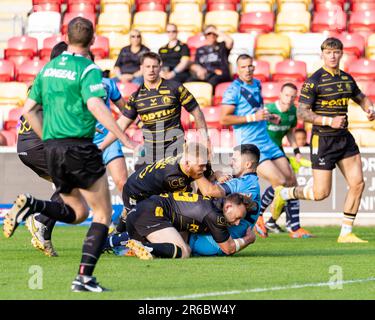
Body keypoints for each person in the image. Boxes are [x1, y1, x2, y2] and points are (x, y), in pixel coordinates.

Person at [3, 17, 137, 292]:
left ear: (67, 35)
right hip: (79, 146)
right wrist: (122, 134)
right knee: (102, 213)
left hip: (52, 148)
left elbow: (28, 109)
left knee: (76, 212)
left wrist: (48, 139)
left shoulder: (48, 69)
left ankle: (34, 205)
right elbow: (95, 105)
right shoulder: (87, 68)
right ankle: (84, 278)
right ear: (91, 40)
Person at [273, 37, 375, 243]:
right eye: (328, 52)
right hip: (323, 140)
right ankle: (285, 193)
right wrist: (329, 120)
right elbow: (302, 112)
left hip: (344, 139)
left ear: (341, 54)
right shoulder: (314, 81)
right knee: (321, 193)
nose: (333, 56)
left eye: (336, 52)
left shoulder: (346, 79)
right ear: (322, 55)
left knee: (358, 184)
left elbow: (360, 96)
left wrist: (368, 108)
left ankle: (346, 233)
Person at [220, 54, 312, 240]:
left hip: (266, 140)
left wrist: (269, 117)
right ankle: (260, 217)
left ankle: (294, 227)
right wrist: (253, 118)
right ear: (238, 69)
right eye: (244, 67)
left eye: (250, 66)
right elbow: (224, 118)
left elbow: (257, 110)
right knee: (278, 181)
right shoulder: (233, 89)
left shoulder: (257, 84)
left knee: (291, 180)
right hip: (249, 146)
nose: (248, 69)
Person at [100, 51, 209, 166]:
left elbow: (197, 113)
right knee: (133, 182)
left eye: (154, 66)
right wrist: (101, 147)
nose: (151, 70)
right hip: (150, 155)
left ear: (160, 67)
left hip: (176, 151)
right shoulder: (136, 97)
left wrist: (204, 140)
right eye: (147, 66)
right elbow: (121, 125)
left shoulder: (175, 88)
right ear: (141, 68)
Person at [110, 141, 212, 235]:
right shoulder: (175, 180)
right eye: (201, 166)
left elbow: (208, 173)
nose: (205, 168)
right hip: (135, 191)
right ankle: (113, 240)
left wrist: (218, 174)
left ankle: (119, 229)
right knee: (137, 225)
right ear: (187, 164)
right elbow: (187, 205)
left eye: (205, 164)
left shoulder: (186, 159)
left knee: (132, 217)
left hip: (143, 184)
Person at [255, 83, 313, 238]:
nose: (289, 99)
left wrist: (297, 152)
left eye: (293, 96)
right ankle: (259, 217)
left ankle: (293, 227)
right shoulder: (268, 110)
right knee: (280, 184)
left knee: (291, 184)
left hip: (277, 151)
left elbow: (290, 133)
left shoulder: (293, 112)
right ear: (280, 95)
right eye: (286, 95)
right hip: (262, 151)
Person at [124, 192, 256, 260]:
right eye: (237, 217)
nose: (237, 223)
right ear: (228, 207)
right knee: (184, 251)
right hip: (151, 214)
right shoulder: (216, 216)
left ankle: (116, 242)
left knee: (178, 241)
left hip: (139, 212)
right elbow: (229, 248)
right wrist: (248, 240)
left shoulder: (216, 202)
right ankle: (146, 247)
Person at [190, 144, 261, 256]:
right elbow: (202, 195)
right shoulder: (249, 182)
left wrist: (196, 172)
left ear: (247, 164)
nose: (230, 163)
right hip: (214, 240)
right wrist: (214, 176)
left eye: (235, 160)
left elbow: (209, 191)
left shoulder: (245, 184)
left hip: (211, 242)